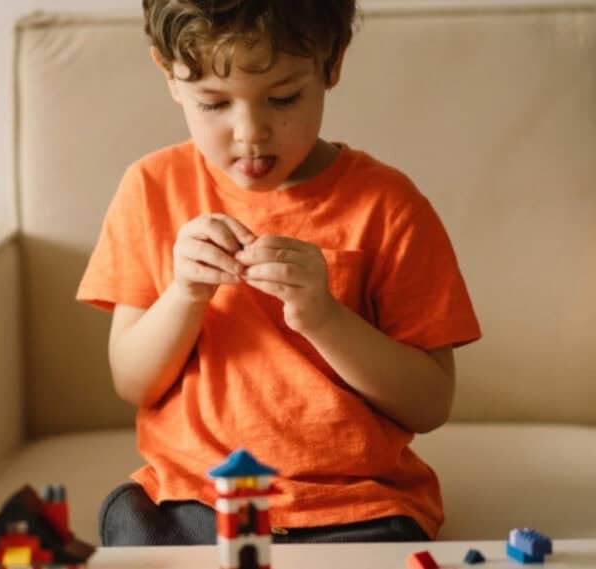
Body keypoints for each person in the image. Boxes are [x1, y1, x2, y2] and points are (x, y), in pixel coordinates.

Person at [77, 0, 481, 546]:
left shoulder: (388, 205)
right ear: (170, 75)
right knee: (129, 518)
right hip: (191, 498)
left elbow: (429, 404)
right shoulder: (151, 188)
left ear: (332, 63)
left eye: (284, 98)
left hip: (354, 505)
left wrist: (324, 317)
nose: (251, 133)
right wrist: (184, 294)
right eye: (214, 103)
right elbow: (132, 381)